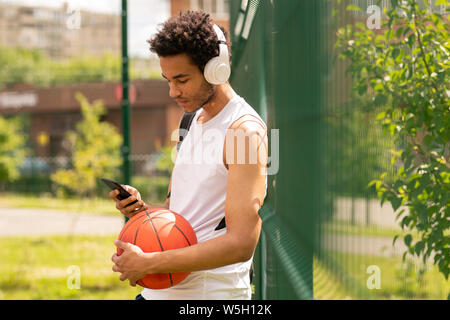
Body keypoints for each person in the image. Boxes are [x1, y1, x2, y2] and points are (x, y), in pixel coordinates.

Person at [109, 10, 268, 300]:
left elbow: (241, 243)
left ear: (216, 69)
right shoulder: (190, 121)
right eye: (168, 80)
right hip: (159, 292)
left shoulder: (244, 132)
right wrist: (142, 212)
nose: (172, 91)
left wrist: (150, 262)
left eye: (181, 80)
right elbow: (180, 212)